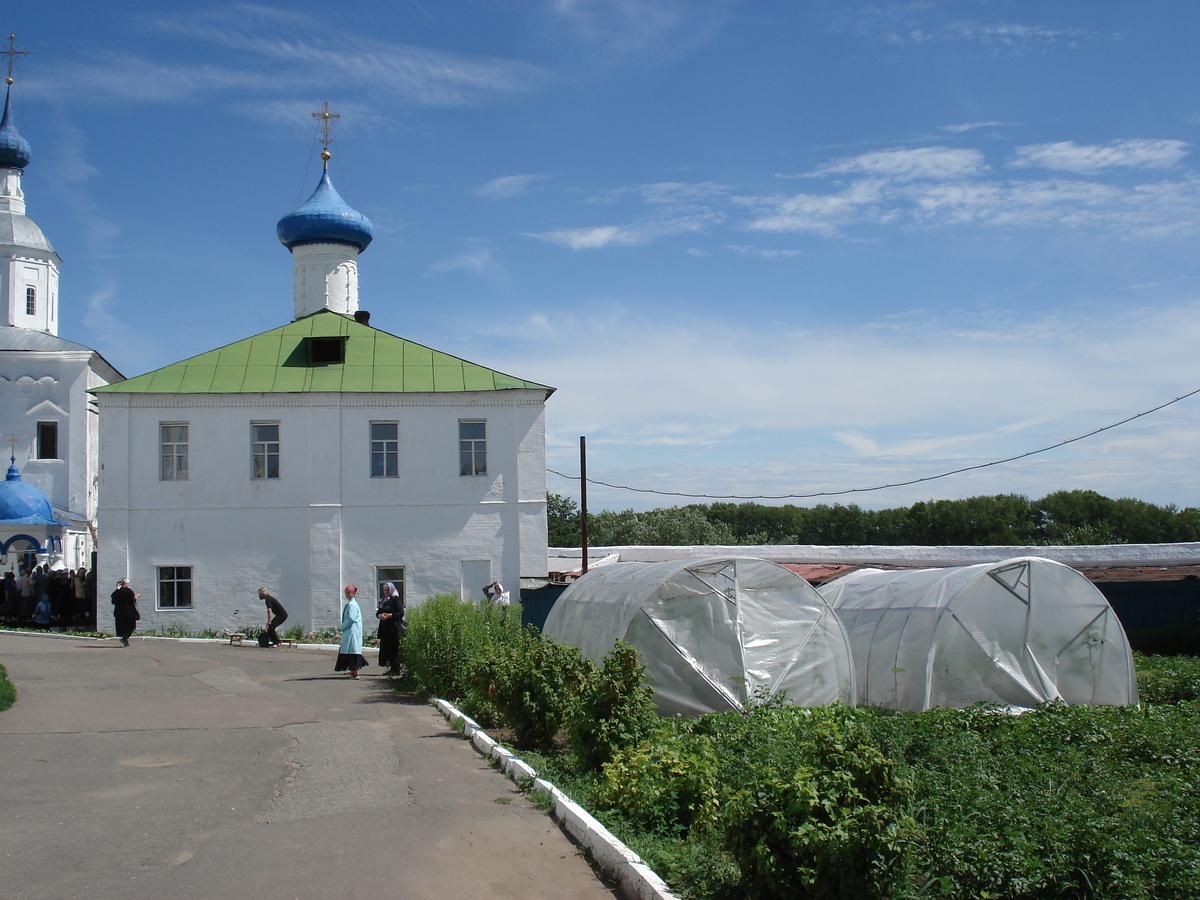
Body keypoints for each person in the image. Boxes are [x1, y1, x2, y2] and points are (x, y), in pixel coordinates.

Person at [334, 584, 368, 679]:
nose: (347, 594)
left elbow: (351, 619)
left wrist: (341, 627)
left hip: (351, 631)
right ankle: (353, 670)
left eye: (349, 593)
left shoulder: (352, 605)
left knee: (353, 651)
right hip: (350, 631)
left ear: (353, 593)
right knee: (351, 651)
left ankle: (356, 671)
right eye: (346, 592)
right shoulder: (350, 604)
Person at [376, 582, 404, 676]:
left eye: (388, 590)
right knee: (387, 649)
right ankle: (392, 668)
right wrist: (380, 615)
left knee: (394, 649)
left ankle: (396, 669)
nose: (386, 592)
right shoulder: (384, 601)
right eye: (384, 590)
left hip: (393, 628)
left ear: (392, 590)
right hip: (385, 629)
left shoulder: (395, 600)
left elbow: (400, 613)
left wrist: (390, 615)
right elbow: (378, 613)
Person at [111, 578, 140, 647]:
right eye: (128, 583)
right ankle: (125, 637)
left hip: (119, 612)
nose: (128, 585)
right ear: (125, 584)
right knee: (131, 626)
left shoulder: (116, 592)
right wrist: (136, 597)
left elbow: (113, 602)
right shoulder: (128, 591)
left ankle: (124, 639)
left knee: (122, 626)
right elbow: (132, 600)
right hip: (128, 612)